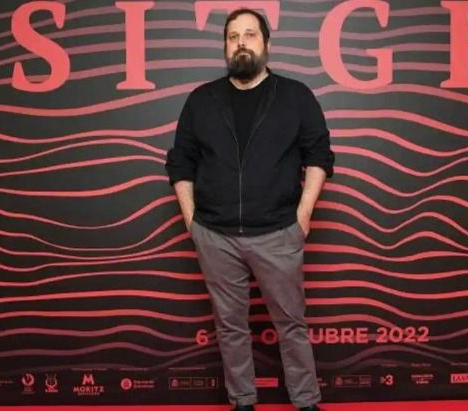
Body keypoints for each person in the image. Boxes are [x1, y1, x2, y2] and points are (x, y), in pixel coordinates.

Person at [165, 8, 334, 411]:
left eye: (250, 35)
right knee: (230, 327)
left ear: (266, 44)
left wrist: (302, 216)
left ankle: (306, 401)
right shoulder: (201, 100)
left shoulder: (296, 96)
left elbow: (319, 156)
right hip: (216, 236)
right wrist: (192, 222)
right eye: (233, 36)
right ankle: (242, 400)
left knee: (291, 324)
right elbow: (180, 163)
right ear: (225, 46)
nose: (241, 43)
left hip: (278, 233)